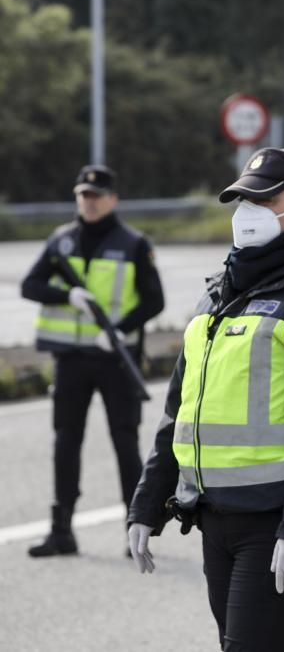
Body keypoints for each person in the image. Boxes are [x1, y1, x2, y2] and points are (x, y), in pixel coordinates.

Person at [126, 148, 284, 652]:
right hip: (216, 520)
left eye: (263, 200)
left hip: (278, 523)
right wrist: (148, 503)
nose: (246, 212)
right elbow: (180, 411)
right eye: (241, 199)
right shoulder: (219, 294)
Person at [21, 164, 165, 558]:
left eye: (97, 195)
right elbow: (29, 285)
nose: (90, 202)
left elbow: (155, 299)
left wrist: (120, 329)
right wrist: (65, 296)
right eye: (84, 195)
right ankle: (61, 531)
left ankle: (134, 531)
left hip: (115, 359)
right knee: (66, 442)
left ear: (113, 199)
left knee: (125, 443)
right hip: (71, 360)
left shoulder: (134, 243)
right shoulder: (61, 240)